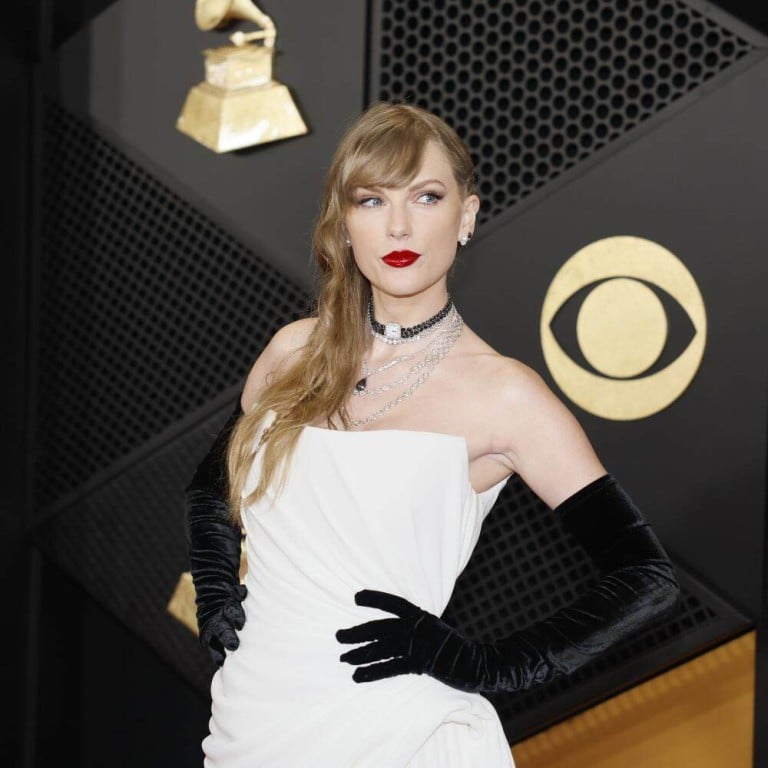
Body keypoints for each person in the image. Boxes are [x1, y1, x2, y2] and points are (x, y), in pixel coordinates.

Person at [184, 101, 680, 768]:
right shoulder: (292, 353)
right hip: (251, 721)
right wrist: (216, 585)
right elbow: (214, 484)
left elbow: (645, 577)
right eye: (371, 199)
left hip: (396, 733)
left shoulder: (504, 394)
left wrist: (486, 665)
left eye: (426, 195)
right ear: (343, 221)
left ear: (466, 216)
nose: (398, 224)